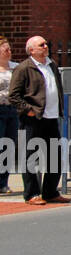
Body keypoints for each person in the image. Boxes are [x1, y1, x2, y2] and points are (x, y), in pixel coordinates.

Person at [8, 36, 69, 205]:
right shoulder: (24, 68)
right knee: (31, 157)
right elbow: (13, 95)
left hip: (51, 117)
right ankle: (32, 194)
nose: (45, 46)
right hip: (34, 119)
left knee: (54, 157)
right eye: (41, 45)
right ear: (31, 50)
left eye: (45, 44)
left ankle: (50, 192)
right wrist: (28, 111)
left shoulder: (51, 65)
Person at [0, 38, 14, 194]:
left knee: (8, 147)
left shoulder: (15, 68)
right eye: (5, 49)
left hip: (11, 110)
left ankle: (3, 182)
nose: (9, 52)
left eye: (9, 49)